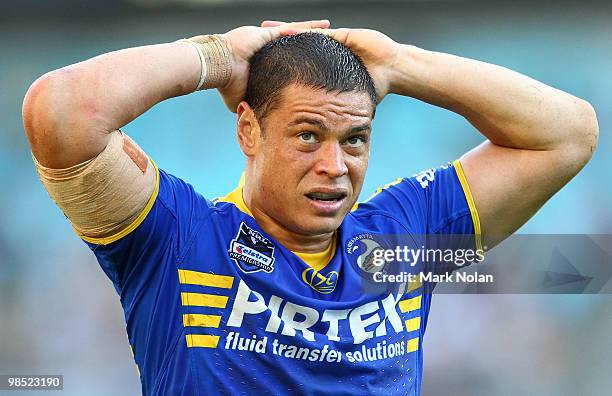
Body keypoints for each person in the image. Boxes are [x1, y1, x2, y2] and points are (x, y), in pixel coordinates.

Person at [23, 19, 598, 395]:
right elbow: (60, 113)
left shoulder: (402, 240)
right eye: (307, 136)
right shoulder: (177, 237)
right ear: (248, 129)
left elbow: (568, 133)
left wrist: (400, 65)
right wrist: (216, 57)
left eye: (355, 139)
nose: (335, 165)